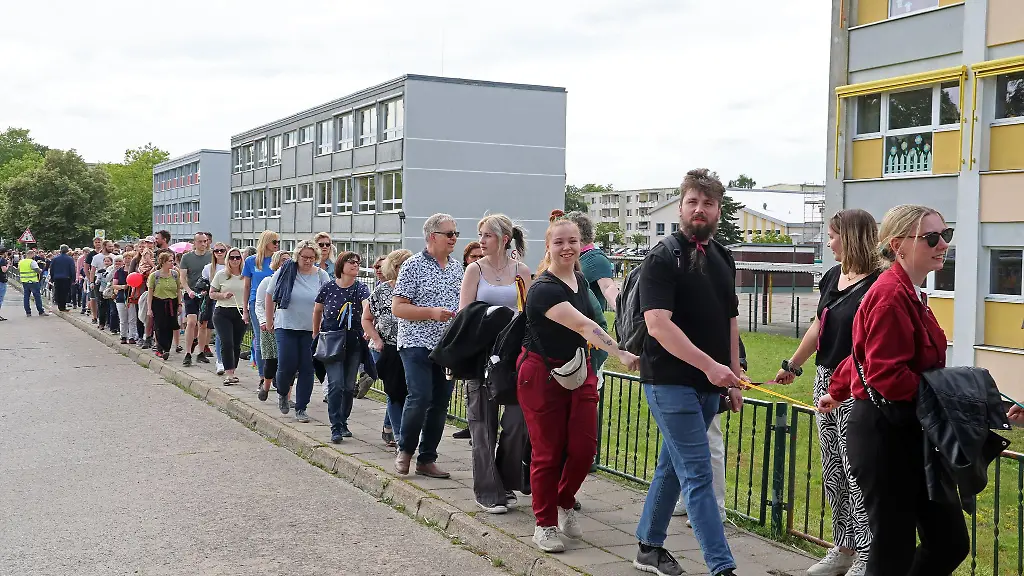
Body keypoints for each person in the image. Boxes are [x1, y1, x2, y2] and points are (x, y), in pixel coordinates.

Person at [818, 204, 966, 576]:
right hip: (886, 434)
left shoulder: (906, 291)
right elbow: (886, 373)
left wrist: (837, 390)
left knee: (948, 542)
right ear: (898, 245)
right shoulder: (890, 295)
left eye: (946, 235)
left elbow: (861, 353)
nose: (943, 244)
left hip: (908, 430)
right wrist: (948, 397)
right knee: (892, 552)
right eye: (931, 237)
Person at [634, 169, 744, 576]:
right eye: (692, 202)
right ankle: (722, 567)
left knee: (672, 467)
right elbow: (658, 325)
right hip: (669, 382)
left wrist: (734, 376)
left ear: (718, 211)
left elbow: (730, 320)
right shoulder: (662, 257)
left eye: (708, 203)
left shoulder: (724, 257)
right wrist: (711, 367)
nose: (700, 209)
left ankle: (648, 547)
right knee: (698, 473)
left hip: (710, 386)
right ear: (680, 207)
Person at [518, 215, 639, 553]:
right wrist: (621, 353)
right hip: (541, 373)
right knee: (547, 452)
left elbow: (597, 318)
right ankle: (544, 524)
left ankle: (564, 499)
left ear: (580, 243)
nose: (566, 247)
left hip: (579, 368)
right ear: (548, 247)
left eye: (572, 241)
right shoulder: (543, 288)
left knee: (585, 449)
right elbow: (585, 326)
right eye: (559, 242)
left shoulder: (581, 280)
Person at [775, 209, 881, 576]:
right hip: (825, 378)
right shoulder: (833, 276)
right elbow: (819, 324)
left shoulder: (878, 284)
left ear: (850, 237)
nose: (829, 243)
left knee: (857, 468)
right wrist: (793, 364)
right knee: (833, 467)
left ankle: (869, 552)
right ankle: (844, 546)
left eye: (833, 236)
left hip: (858, 385)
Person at [457, 214, 532, 514]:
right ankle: (488, 490)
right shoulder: (474, 269)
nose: (481, 241)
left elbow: (528, 313)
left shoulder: (521, 271)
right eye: (480, 235)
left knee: (517, 422)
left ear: (504, 239)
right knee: (482, 424)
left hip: (512, 356)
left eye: (486, 235)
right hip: (481, 352)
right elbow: (464, 313)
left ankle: (506, 481)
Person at [391, 213, 463, 479]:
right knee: (420, 396)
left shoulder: (457, 268)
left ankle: (427, 458)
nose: (454, 238)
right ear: (433, 236)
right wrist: (431, 313)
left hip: (446, 347)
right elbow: (398, 308)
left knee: (440, 402)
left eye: (455, 233)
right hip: (415, 343)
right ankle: (405, 450)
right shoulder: (412, 266)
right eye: (449, 233)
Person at [266, 239, 332, 423]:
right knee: (286, 365)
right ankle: (282, 392)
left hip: (311, 329)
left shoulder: (321, 275)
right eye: (304, 257)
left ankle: (301, 407)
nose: (308, 261)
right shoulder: (286, 270)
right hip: (286, 325)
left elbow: (328, 300)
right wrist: (269, 320)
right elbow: (270, 294)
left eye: (311, 258)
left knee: (307, 369)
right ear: (297, 256)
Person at [314, 251, 371, 443]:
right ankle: (335, 426)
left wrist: (368, 325)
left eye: (357, 262)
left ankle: (343, 420)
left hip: (354, 343)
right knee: (336, 384)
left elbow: (367, 306)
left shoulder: (360, 288)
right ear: (341, 265)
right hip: (332, 342)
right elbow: (317, 310)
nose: (355, 265)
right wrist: (316, 333)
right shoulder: (329, 287)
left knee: (348, 387)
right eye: (351, 262)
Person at [363, 250, 412, 449]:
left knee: (410, 393)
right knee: (393, 392)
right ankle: (400, 437)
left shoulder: (417, 289)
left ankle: (393, 428)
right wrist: (376, 339)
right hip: (389, 347)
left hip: (412, 347)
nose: (407, 269)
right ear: (393, 267)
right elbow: (366, 319)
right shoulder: (381, 291)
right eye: (402, 265)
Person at [243, 231, 280, 388]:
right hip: (257, 303)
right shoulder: (251, 261)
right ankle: (263, 376)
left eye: (278, 242)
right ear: (266, 242)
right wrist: (245, 309)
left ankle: (276, 375)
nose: (277, 245)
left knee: (277, 340)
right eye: (274, 242)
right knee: (260, 339)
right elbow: (247, 286)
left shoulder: (277, 259)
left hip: (276, 303)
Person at [254, 250, 290, 400]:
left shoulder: (294, 282)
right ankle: (266, 386)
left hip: (287, 325)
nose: (286, 263)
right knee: (271, 359)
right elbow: (259, 303)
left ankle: (286, 396)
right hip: (270, 326)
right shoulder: (267, 281)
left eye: (288, 260)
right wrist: (264, 321)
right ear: (276, 263)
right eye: (283, 260)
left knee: (289, 362)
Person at [566, 211, 618, 312]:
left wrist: (623, 312)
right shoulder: (572, 257)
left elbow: (608, 287)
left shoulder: (596, 259)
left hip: (588, 320)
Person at [210, 247, 248, 385]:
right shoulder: (221, 275)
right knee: (227, 342)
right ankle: (229, 373)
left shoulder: (246, 275)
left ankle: (233, 369)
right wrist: (223, 295)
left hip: (241, 312)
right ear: (227, 260)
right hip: (223, 312)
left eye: (238, 257)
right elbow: (212, 293)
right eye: (232, 257)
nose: (235, 260)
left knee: (236, 344)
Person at [180, 232, 213, 367]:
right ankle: (188, 353)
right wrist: (189, 290)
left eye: (205, 241)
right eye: (200, 241)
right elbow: (183, 277)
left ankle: (201, 352)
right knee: (191, 321)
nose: (203, 244)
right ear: (194, 243)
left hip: (206, 294)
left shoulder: (211, 256)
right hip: (192, 293)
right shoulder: (187, 257)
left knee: (203, 324)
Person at [146, 251, 183, 361]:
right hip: (159, 303)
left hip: (172, 302)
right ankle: (160, 348)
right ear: (163, 262)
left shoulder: (175, 274)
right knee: (160, 326)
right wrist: (149, 308)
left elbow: (178, 290)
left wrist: (180, 304)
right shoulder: (154, 276)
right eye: (170, 261)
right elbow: (150, 293)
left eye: (173, 261)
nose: (172, 263)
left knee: (170, 325)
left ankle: (167, 348)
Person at [203, 242, 229, 375]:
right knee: (220, 332)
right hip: (216, 301)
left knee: (232, 335)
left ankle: (229, 360)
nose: (219, 253)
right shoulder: (209, 268)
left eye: (222, 250)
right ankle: (220, 361)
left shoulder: (231, 266)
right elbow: (204, 285)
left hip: (232, 301)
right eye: (216, 250)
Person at [111, 254, 137, 344]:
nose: (127, 260)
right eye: (125, 258)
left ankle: (132, 336)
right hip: (121, 297)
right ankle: (123, 336)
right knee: (123, 319)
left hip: (132, 297)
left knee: (132, 319)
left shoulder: (135, 271)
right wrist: (123, 287)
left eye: (129, 258)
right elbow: (114, 285)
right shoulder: (119, 272)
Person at [19, 248, 47, 317]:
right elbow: (38, 271)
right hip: (33, 281)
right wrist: (41, 269)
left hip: (24, 281)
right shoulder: (32, 262)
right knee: (37, 297)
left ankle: (28, 312)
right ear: (31, 254)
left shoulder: (21, 262)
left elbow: (19, 269)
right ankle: (41, 311)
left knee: (26, 297)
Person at [49, 245, 76, 312]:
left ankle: (60, 305)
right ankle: (63, 306)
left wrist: (52, 278)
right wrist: (73, 279)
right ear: (67, 250)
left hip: (57, 277)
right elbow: (72, 269)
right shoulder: (70, 259)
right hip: (66, 278)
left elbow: (52, 269)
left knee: (58, 291)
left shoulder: (55, 259)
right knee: (65, 292)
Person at [0, 246, 9, 321]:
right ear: (4, 252)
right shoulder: (2, 259)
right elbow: (4, 270)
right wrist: (8, 265)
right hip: (1, 280)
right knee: (0, 298)